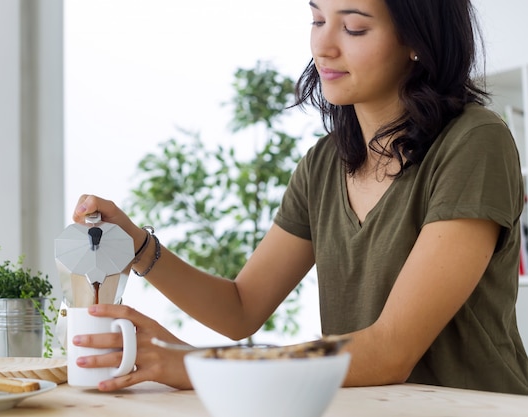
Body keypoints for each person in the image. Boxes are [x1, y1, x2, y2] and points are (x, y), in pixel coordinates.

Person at [71, 0, 528, 394]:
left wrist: (196, 364)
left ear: (418, 41)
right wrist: (139, 246)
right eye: (316, 19)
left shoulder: (474, 142)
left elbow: (391, 351)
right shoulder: (324, 163)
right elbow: (241, 308)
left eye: (354, 27)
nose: (324, 46)